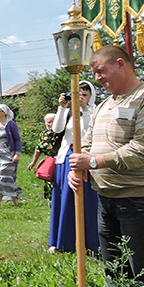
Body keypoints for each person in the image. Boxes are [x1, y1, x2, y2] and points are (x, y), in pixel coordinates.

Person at [69, 46, 144, 287]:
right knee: (116, 271)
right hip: (107, 200)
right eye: (94, 72)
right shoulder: (105, 106)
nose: (96, 78)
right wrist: (78, 170)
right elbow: (85, 144)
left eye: (100, 71)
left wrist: (95, 163)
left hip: (143, 202)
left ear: (121, 64)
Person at [48, 83, 100, 253]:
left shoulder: (94, 113)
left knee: (85, 201)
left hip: (84, 159)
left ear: (91, 96)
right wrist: (62, 108)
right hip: (65, 159)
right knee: (63, 200)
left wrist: (84, 109)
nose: (81, 98)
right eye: (78, 94)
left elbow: (87, 132)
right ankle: (61, 241)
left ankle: (90, 243)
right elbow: (56, 129)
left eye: (85, 95)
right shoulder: (70, 113)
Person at [0, 104, 22, 209]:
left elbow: (17, 139)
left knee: (0, 177)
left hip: (9, 155)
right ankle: (15, 197)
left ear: (4, 113)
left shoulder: (11, 124)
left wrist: (17, 154)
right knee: (7, 178)